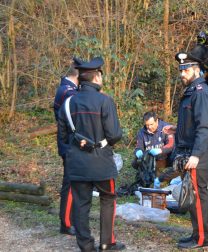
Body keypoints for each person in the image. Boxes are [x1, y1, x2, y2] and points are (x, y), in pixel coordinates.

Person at [57, 57, 125, 251]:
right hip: (102, 161)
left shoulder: (67, 103)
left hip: (76, 162)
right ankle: (107, 242)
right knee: (108, 199)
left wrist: (70, 155)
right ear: (96, 77)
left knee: (81, 204)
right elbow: (114, 135)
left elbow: (62, 136)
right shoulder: (105, 101)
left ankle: (86, 246)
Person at [169, 51, 208, 249]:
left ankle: (202, 239)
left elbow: (205, 127)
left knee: (198, 197)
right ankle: (197, 235)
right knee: (192, 196)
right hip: (191, 152)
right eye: (181, 69)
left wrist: (196, 155)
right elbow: (193, 123)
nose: (182, 73)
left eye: (186, 69)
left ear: (196, 70)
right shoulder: (191, 91)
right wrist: (177, 129)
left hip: (199, 155)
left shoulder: (200, 92)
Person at [53, 57, 83, 236]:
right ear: (77, 75)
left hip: (68, 144)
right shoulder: (68, 92)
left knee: (74, 183)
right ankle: (66, 222)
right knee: (70, 184)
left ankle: (70, 220)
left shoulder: (66, 89)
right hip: (70, 145)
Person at [133, 111, 175, 188]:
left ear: (157, 121)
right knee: (135, 161)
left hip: (165, 157)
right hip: (151, 159)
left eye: (151, 124)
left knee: (172, 158)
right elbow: (138, 147)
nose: (149, 127)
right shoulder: (141, 132)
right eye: (147, 125)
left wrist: (160, 150)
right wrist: (138, 152)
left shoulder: (166, 128)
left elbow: (171, 145)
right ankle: (145, 178)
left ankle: (167, 177)